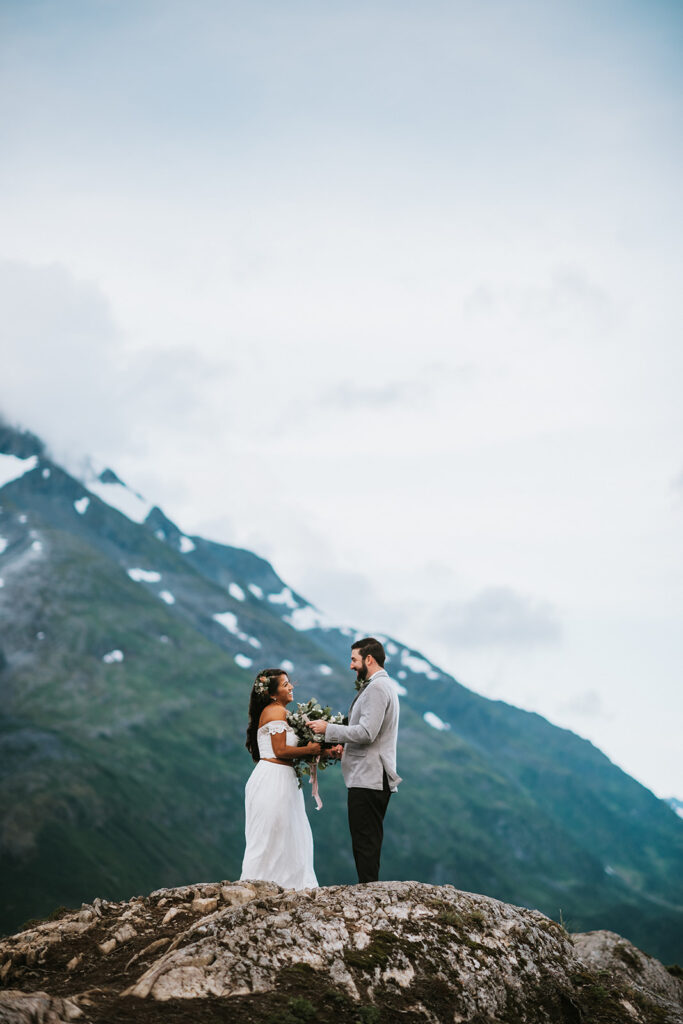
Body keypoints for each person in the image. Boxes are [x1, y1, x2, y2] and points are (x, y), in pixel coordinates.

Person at [309, 637, 401, 883]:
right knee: (367, 840)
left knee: (365, 842)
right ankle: (369, 891)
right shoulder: (381, 686)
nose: (350, 665)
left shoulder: (378, 688)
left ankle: (369, 895)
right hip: (370, 775)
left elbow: (366, 732)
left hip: (370, 776)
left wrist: (328, 729)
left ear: (369, 659)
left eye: (354, 659)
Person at [239, 668, 322, 889]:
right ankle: (259, 885)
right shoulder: (275, 712)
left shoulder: (278, 712)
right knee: (270, 836)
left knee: (287, 833)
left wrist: (318, 750)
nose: (291, 686)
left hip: (282, 779)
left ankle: (285, 885)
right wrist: (309, 749)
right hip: (273, 780)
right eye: (286, 684)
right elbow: (280, 751)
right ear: (273, 694)